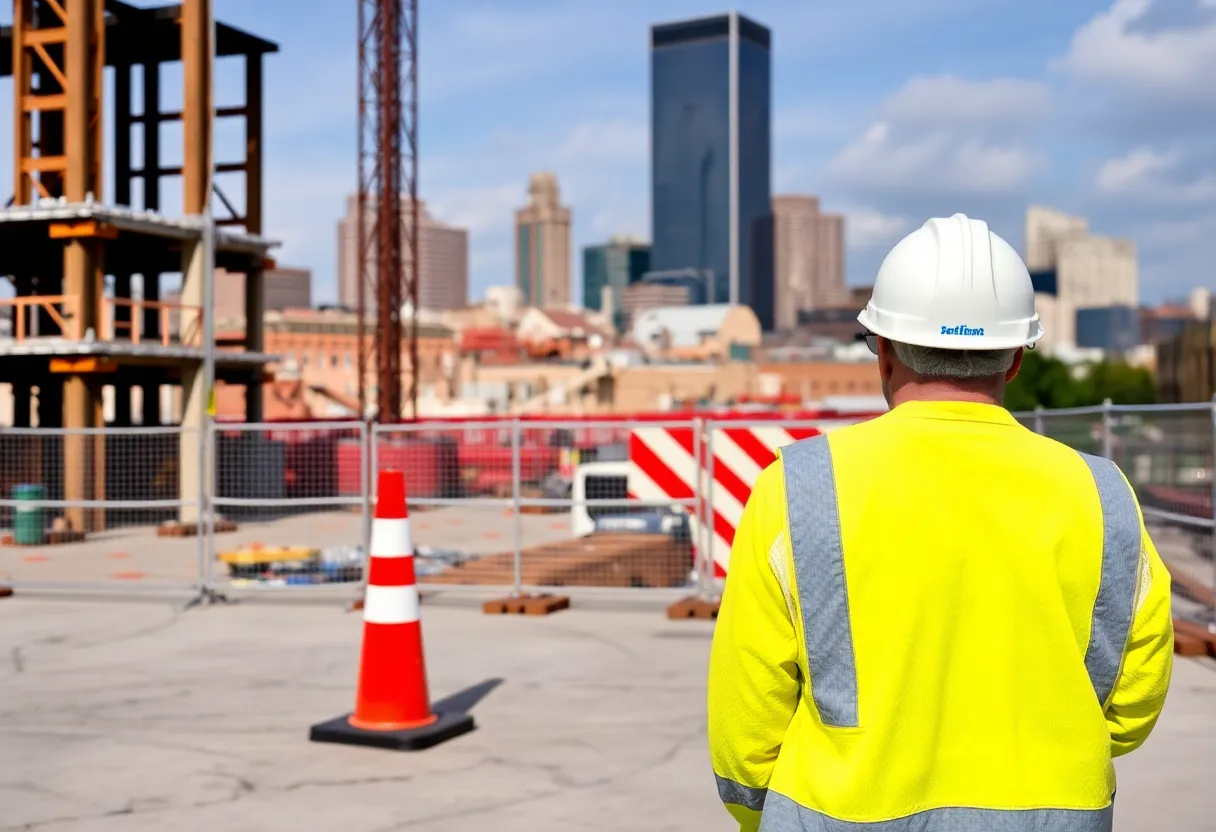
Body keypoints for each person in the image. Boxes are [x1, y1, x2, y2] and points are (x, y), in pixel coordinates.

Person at [707, 213, 1174, 832]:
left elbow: (748, 706)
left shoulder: (798, 488)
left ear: (885, 352)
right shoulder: (1102, 492)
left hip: (836, 812)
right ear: (1014, 360)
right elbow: (1136, 686)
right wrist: (1066, 749)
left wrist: (754, 813)